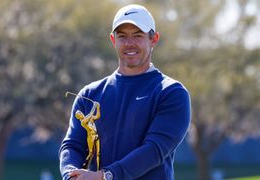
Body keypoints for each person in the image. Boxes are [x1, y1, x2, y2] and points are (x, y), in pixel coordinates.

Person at [59, 4, 191, 180]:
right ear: (113, 40)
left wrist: (105, 176)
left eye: (137, 36)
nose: (130, 43)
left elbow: (154, 150)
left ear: (154, 39)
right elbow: (73, 146)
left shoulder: (171, 93)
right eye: (122, 36)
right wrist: (71, 174)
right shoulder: (89, 95)